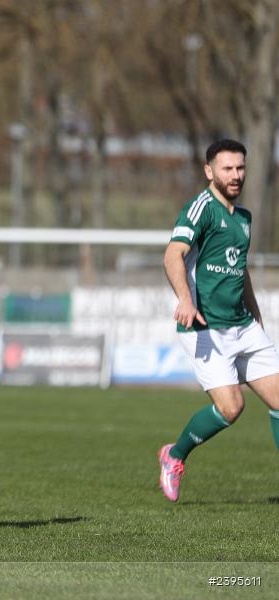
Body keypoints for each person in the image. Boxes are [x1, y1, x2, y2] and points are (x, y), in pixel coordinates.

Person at [159, 139, 279, 502]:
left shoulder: (243, 218)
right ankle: (174, 455)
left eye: (240, 168)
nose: (236, 175)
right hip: (205, 327)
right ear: (210, 171)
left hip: (243, 325)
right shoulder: (201, 209)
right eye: (227, 168)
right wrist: (184, 299)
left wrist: (254, 311)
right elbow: (172, 255)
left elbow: (239, 271)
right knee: (231, 408)